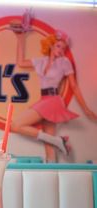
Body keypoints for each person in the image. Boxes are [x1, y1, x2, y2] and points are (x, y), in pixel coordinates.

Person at [11, 27, 97, 162]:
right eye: (58, 46)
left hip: (53, 101)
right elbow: (20, 62)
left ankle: (57, 140)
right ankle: (55, 149)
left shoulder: (64, 62)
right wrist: (20, 38)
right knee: (49, 146)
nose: (60, 50)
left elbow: (74, 86)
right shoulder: (41, 61)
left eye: (63, 48)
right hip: (44, 99)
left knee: (15, 125)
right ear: (50, 45)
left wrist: (86, 109)